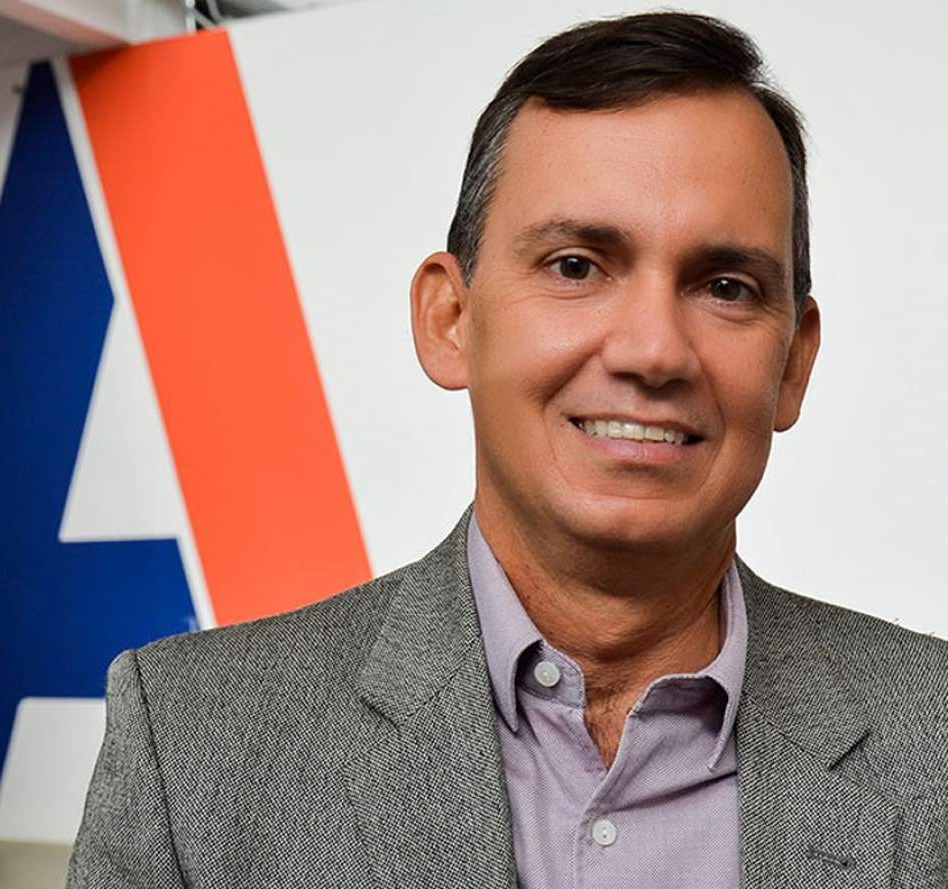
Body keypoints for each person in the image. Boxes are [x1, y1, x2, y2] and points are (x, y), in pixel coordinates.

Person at [68, 12, 948, 889]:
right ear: (450, 319)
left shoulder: (933, 742)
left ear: (792, 363)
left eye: (725, 286)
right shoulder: (192, 744)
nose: (653, 351)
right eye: (576, 266)